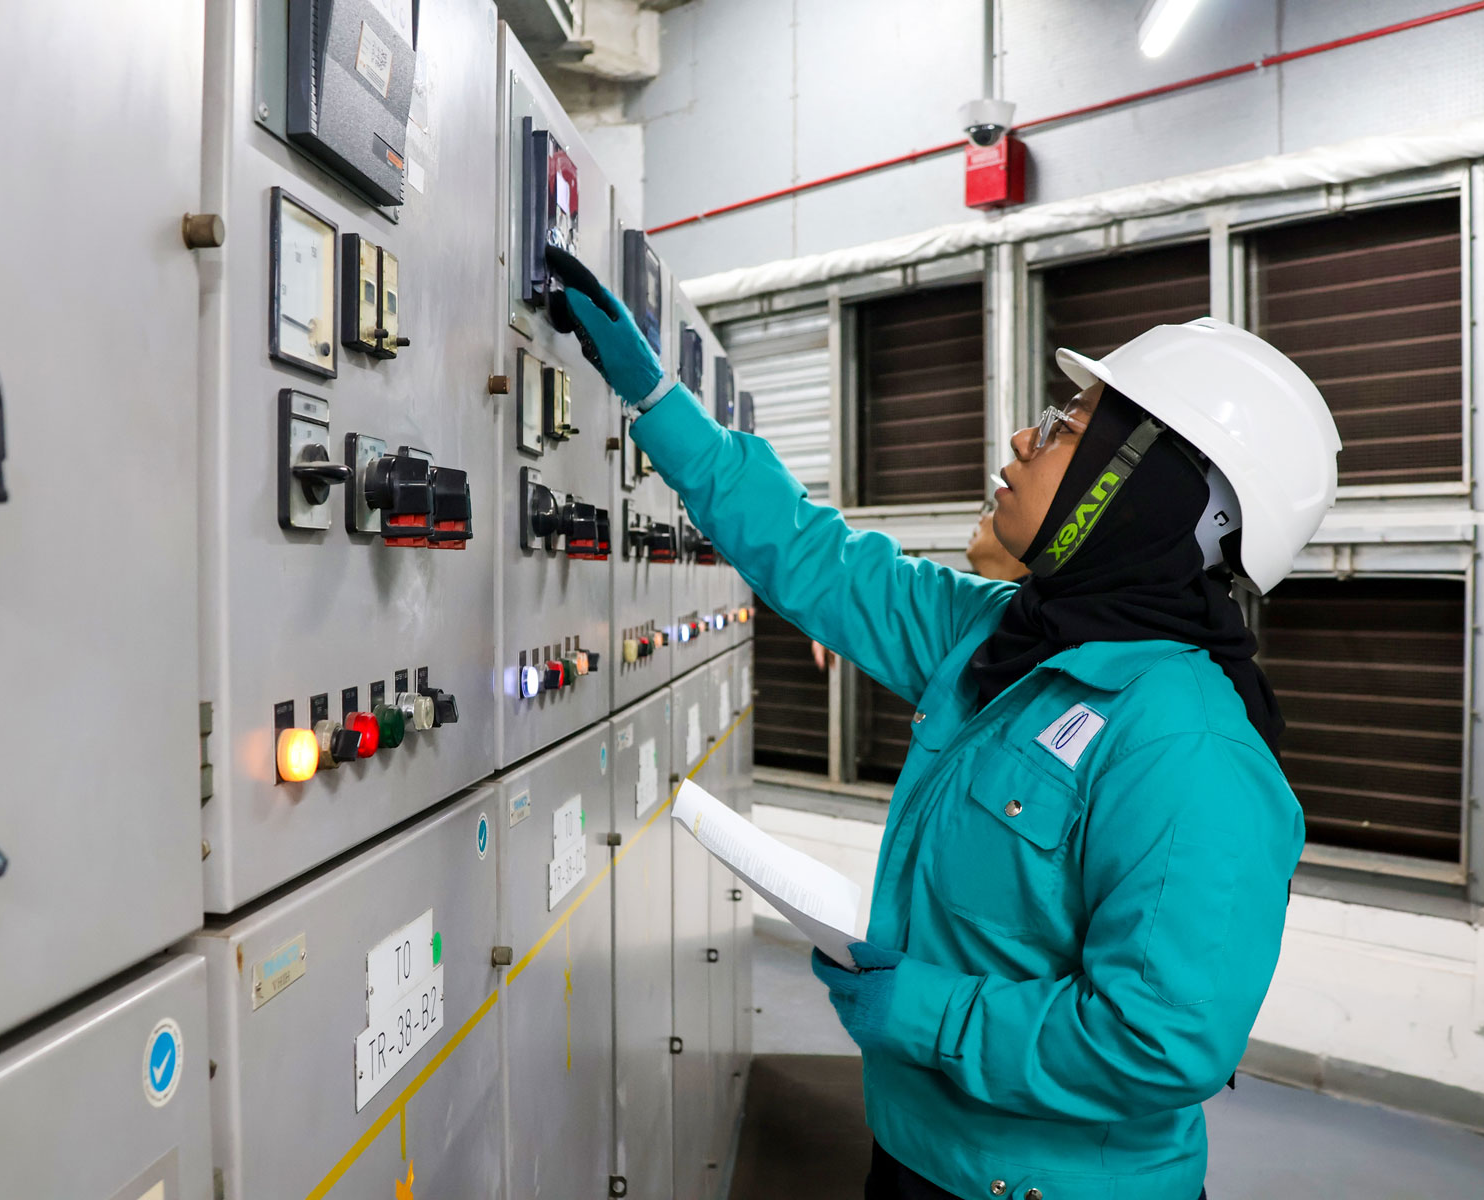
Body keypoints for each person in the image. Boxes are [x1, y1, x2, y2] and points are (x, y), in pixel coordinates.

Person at [546, 246, 1339, 1200]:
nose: (1020, 443)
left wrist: (921, 1014)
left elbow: (1163, 1045)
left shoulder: (1190, 747)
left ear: (1138, 488)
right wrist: (656, 397)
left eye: (1063, 427)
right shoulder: (1002, 635)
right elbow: (813, 559)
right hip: (917, 1151)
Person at [813, 502, 1026, 671]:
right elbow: (899, 616)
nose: (981, 517)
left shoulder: (1023, 629)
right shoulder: (966, 606)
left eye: (992, 509)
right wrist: (842, 614)